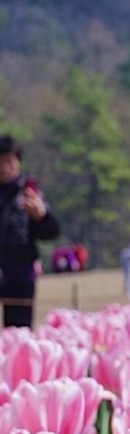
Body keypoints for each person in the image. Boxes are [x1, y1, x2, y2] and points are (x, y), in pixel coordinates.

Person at [0, 135, 60, 328]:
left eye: (9, 161)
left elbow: (51, 233)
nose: (4, 168)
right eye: (0, 162)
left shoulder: (30, 194)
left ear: (18, 162)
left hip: (20, 272)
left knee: (18, 331)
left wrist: (40, 217)